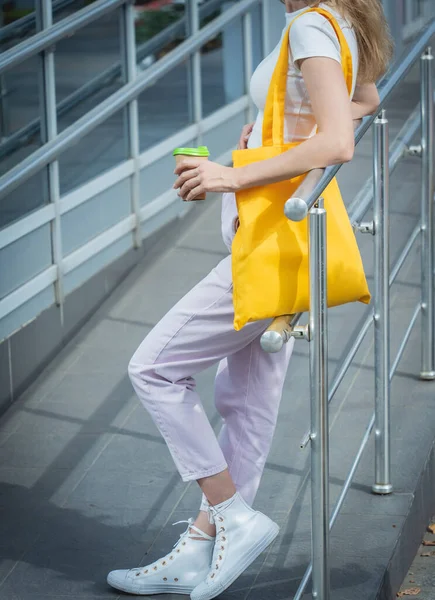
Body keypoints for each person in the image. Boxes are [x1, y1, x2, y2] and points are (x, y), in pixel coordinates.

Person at [107, 0, 392, 598]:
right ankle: (198, 549)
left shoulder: (310, 24)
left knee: (154, 368)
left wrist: (230, 174)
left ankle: (232, 516)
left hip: (273, 244)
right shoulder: (339, 20)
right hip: (290, 244)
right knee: (248, 402)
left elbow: (340, 141)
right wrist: (268, 133)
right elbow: (365, 100)